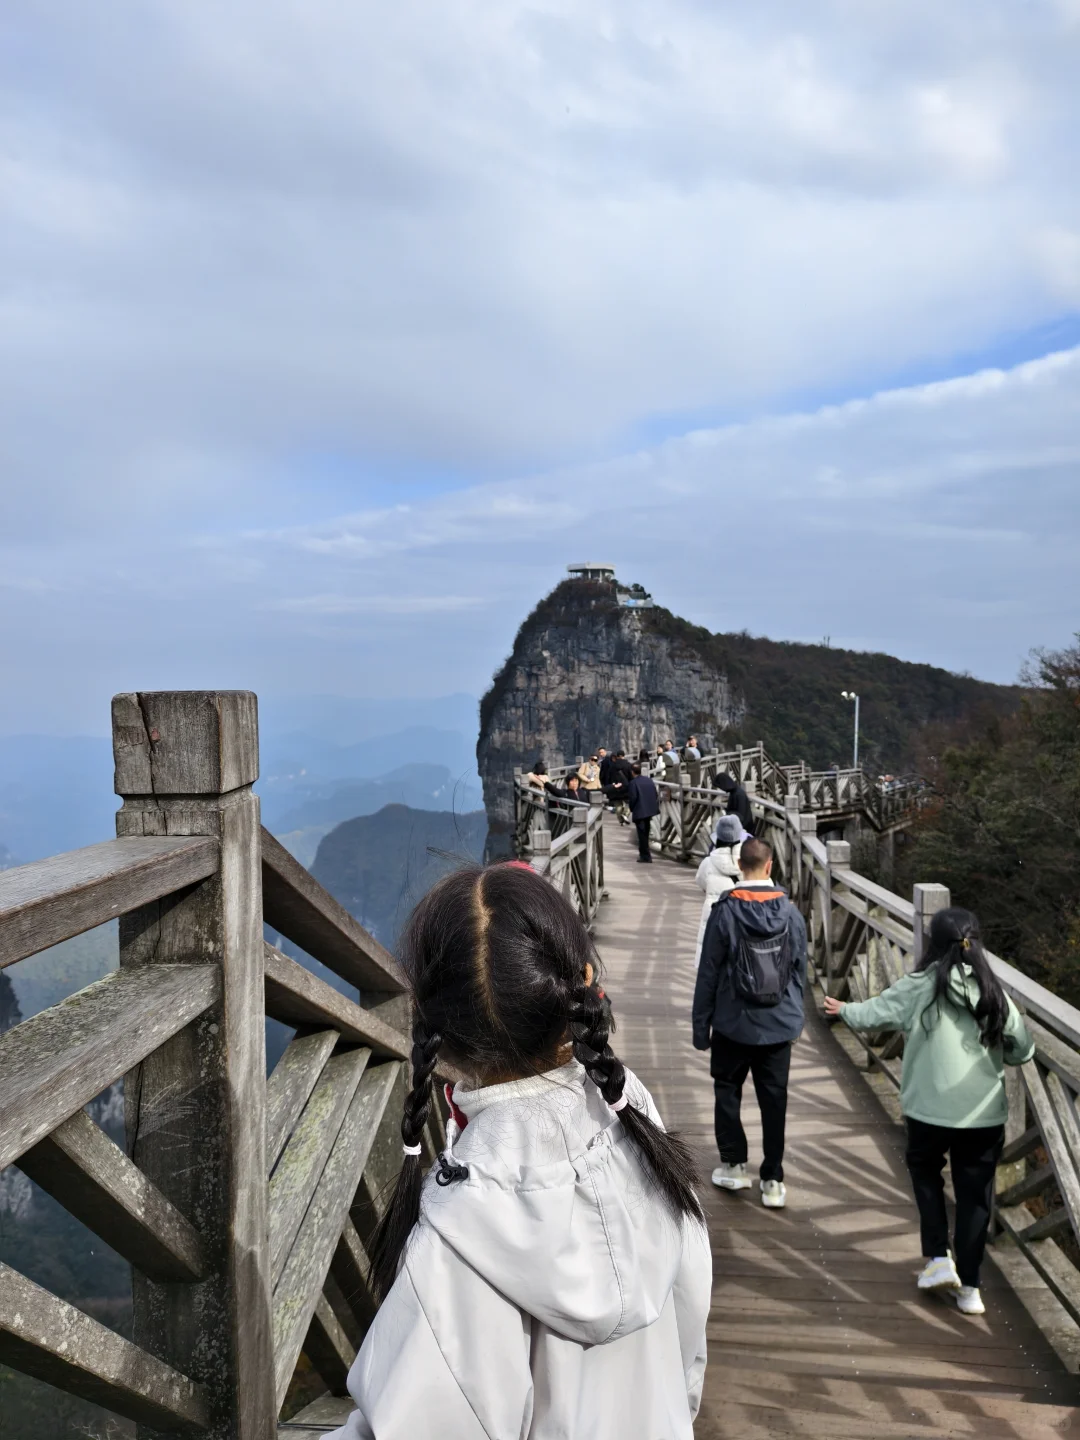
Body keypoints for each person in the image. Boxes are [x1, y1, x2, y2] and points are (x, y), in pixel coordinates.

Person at [327, 864, 711, 1440]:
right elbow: (690, 1312)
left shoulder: (459, 1235)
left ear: (436, 1029)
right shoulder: (635, 1115)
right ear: (582, 982)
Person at [825, 907, 1034, 1316]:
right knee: (975, 1198)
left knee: (926, 1176)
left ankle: (939, 1257)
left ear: (933, 944)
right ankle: (971, 1289)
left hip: (927, 1111)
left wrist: (844, 1010)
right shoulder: (994, 991)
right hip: (982, 1116)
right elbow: (1023, 1048)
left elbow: (876, 1014)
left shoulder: (920, 985)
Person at [692, 837, 806, 1209]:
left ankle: (734, 1166)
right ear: (770, 866)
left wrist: (700, 1026)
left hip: (732, 1022)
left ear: (740, 866)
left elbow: (708, 972)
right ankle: (772, 1179)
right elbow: (800, 970)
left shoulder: (725, 911)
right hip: (777, 1025)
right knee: (775, 1101)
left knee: (728, 1091)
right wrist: (795, 1018)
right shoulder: (790, 912)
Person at [693, 814, 743, 959]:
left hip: (715, 914)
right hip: (742, 914)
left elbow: (700, 881)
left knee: (712, 957)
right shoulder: (747, 861)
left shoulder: (708, 862)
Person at [628, 762, 660, 863]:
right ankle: (646, 854)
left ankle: (645, 856)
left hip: (639, 811)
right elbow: (655, 794)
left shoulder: (633, 783)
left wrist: (632, 809)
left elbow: (633, 798)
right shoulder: (649, 780)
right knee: (646, 832)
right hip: (649, 810)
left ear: (632, 772)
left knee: (642, 834)